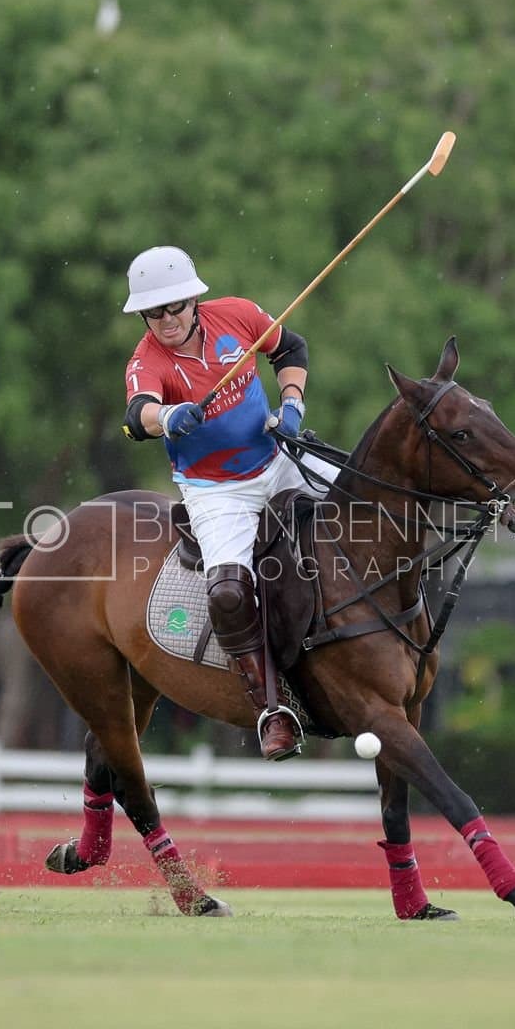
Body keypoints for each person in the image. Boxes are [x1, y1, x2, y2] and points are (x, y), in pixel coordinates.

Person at [121, 245, 333, 761]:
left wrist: (292, 404)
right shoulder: (148, 359)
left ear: (195, 300)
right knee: (228, 593)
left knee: (365, 501)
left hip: (277, 454)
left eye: (175, 307)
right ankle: (271, 709)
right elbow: (137, 413)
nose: (167, 319)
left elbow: (291, 349)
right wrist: (167, 419)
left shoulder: (237, 315)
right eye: (154, 312)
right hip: (217, 491)